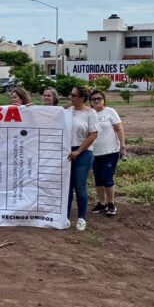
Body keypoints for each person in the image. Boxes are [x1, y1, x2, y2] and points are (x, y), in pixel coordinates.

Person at [65, 85, 99, 232]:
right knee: (67, 187)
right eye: (71, 95)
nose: (71, 97)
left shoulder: (90, 113)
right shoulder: (67, 111)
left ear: (82, 98)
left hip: (83, 152)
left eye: (74, 95)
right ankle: (65, 217)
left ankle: (81, 218)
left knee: (79, 187)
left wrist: (79, 150)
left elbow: (93, 134)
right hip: (67, 152)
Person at [90, 90, 126, 216]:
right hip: (94, 153)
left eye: (99, 98)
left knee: (107, 178)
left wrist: (122, 146)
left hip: (110, 151)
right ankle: (102, 203)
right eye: (93, 99)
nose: (96, 100)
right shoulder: (89, 114)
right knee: (98, 179)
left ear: (103, 99)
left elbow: (119, 129)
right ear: (90, 102)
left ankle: (111, 204)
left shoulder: (110, 111)